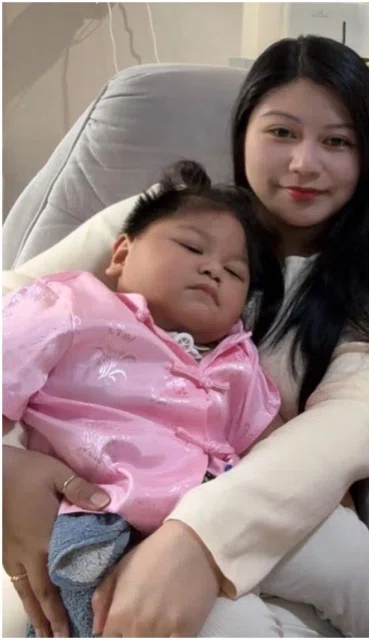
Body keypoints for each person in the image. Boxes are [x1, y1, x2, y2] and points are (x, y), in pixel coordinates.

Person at [2, 35, 369, 638]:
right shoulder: (167, 217)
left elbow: (352, 421)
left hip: (262, 525)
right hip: (89, 512)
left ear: (368, 158)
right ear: (244, 131)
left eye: (337, 141)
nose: (305, 163)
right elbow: (19, 302)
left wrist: (200, 540)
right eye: (281, 133)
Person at [3, 160, 286, 636]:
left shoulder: (238, 361)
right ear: (120, 254)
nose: (212, 268)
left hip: (208, 525)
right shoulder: (72, 304)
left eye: (234, 273)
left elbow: (278, 447)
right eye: (191, 247)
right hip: (97, 512)